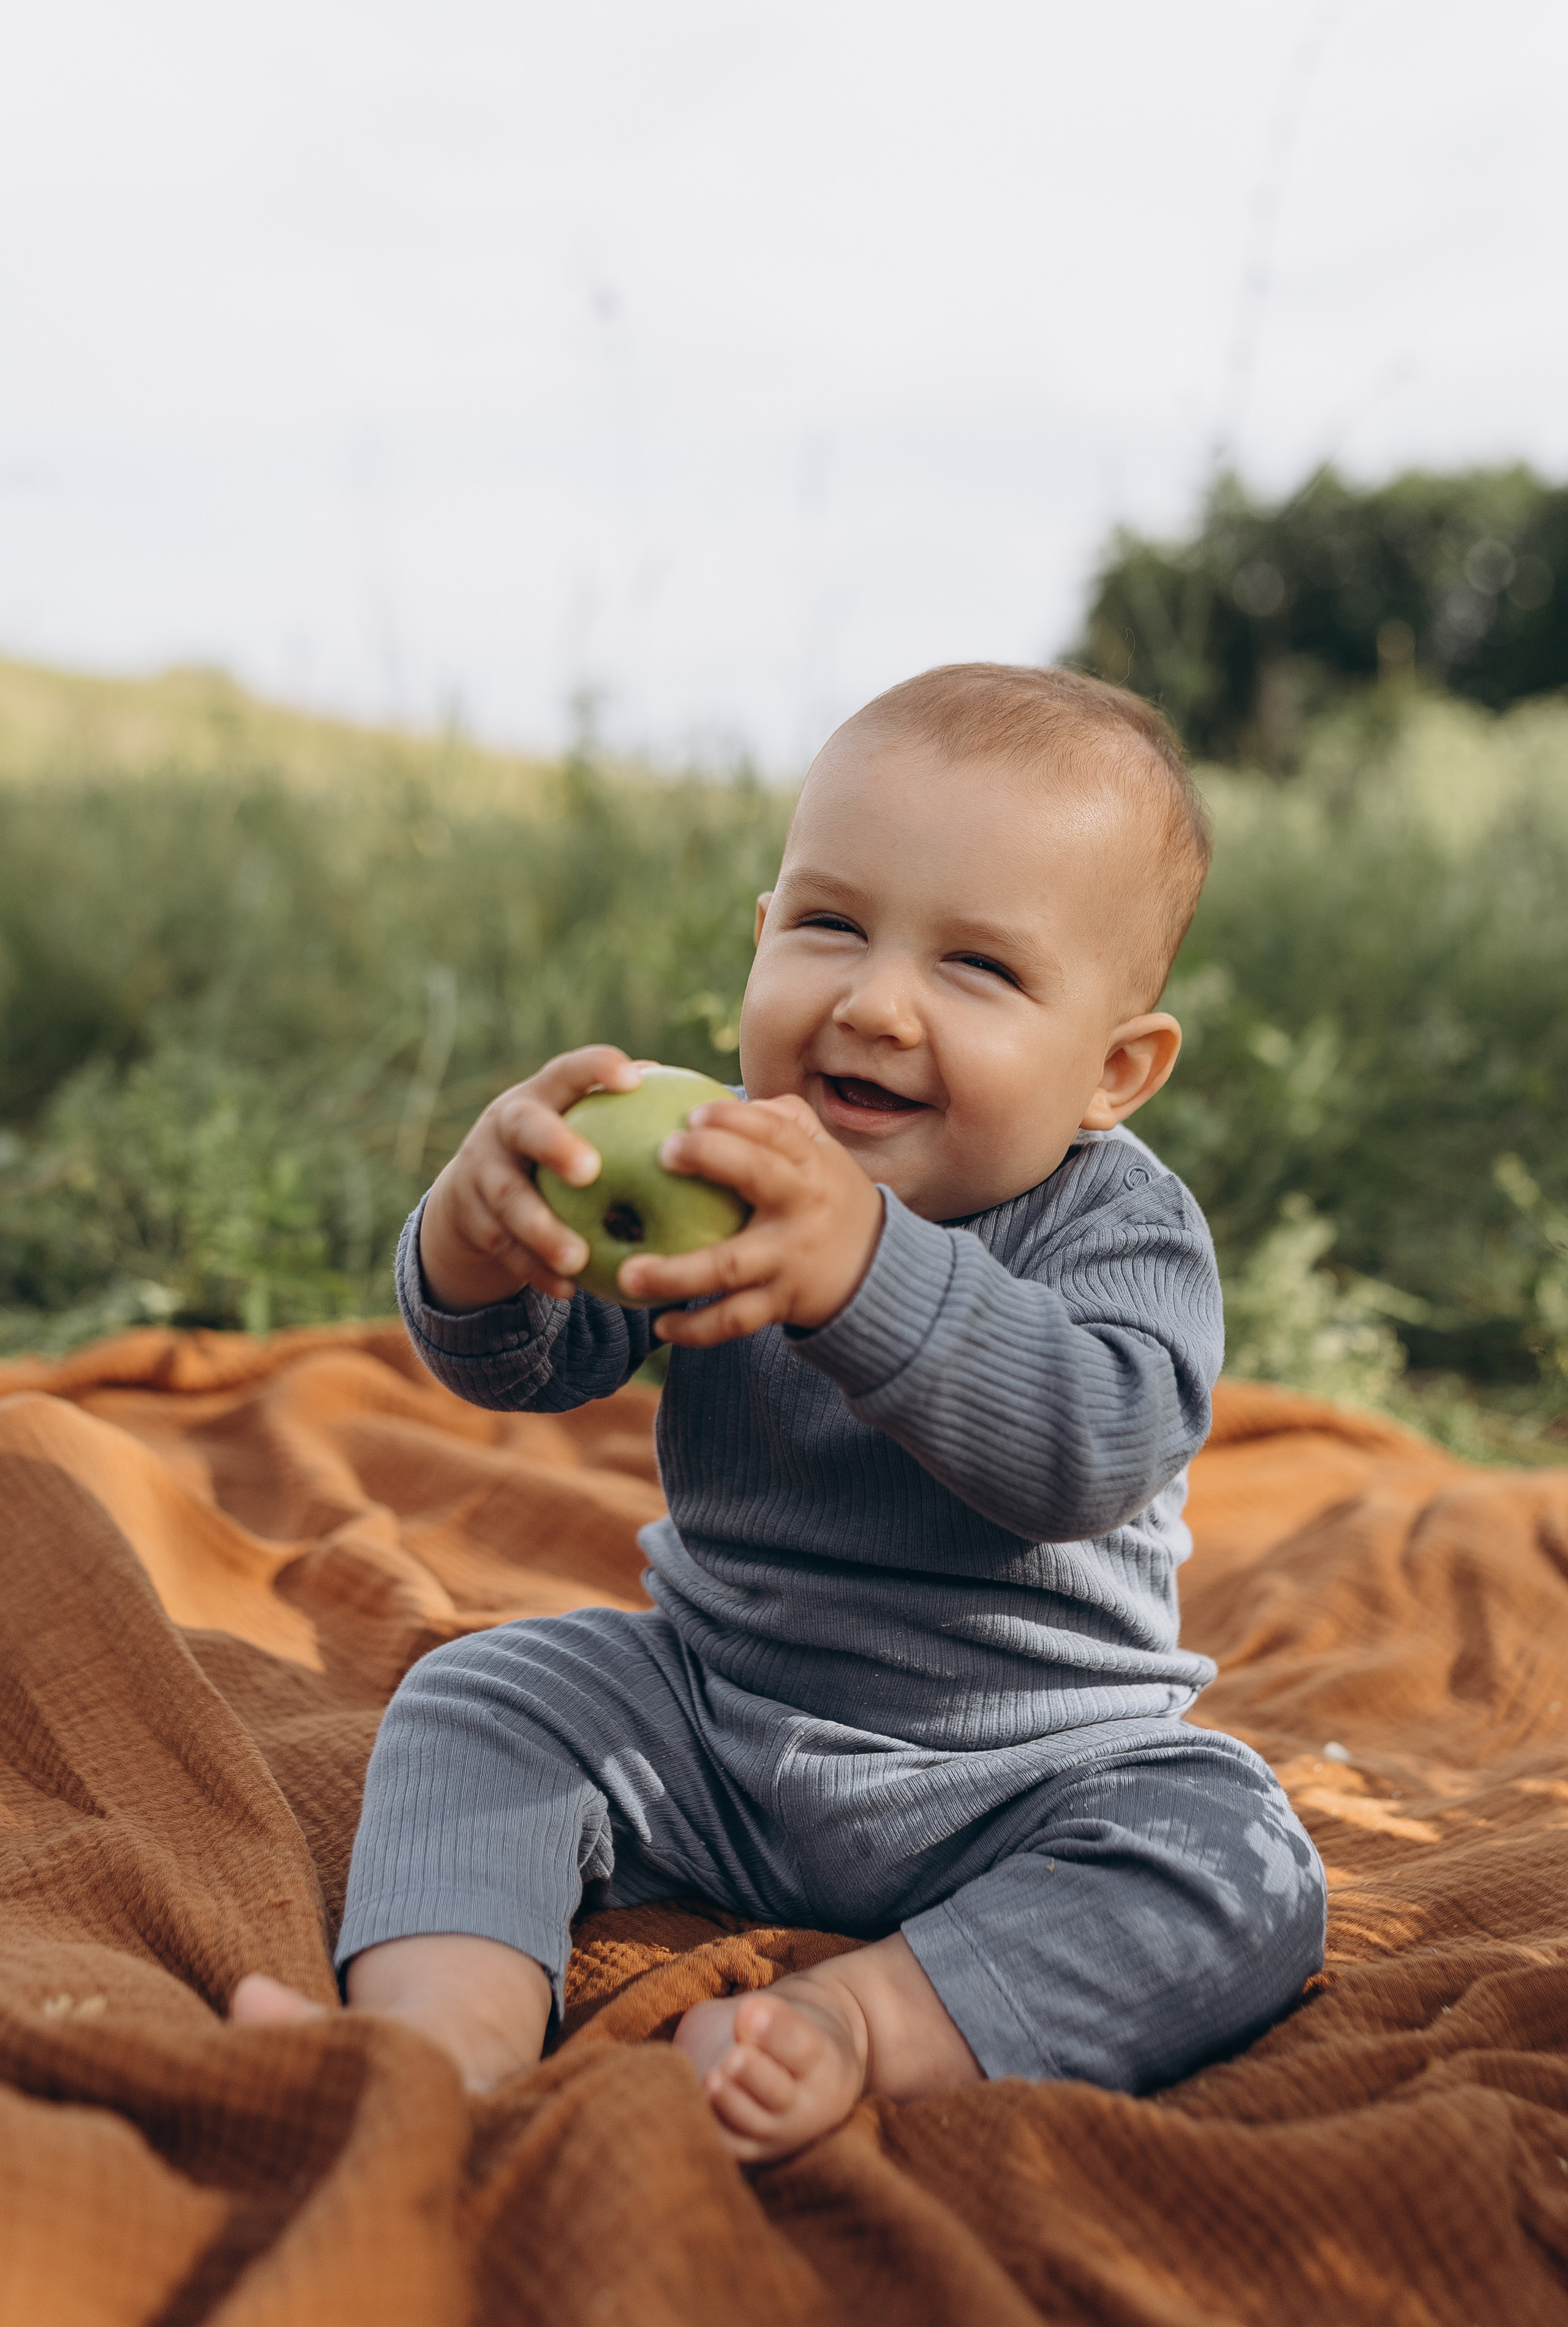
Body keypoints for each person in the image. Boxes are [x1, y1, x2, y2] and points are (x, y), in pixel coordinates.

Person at [233, 663, 1326, 2164]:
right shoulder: (719, 1159)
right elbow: (533, 1366)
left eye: (980, 971)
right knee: (485, 1699)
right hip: (712, 1715)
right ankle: (438, 2052)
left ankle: (861, 2028)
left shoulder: (1120, 1231)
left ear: (1113, 1072)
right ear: (759, 940)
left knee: (1238, 1861)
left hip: (1024, 1772)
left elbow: (1093, 1448)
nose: (874, 1002)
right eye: (829, 926)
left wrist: (864, 1276)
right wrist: (479, 1240)